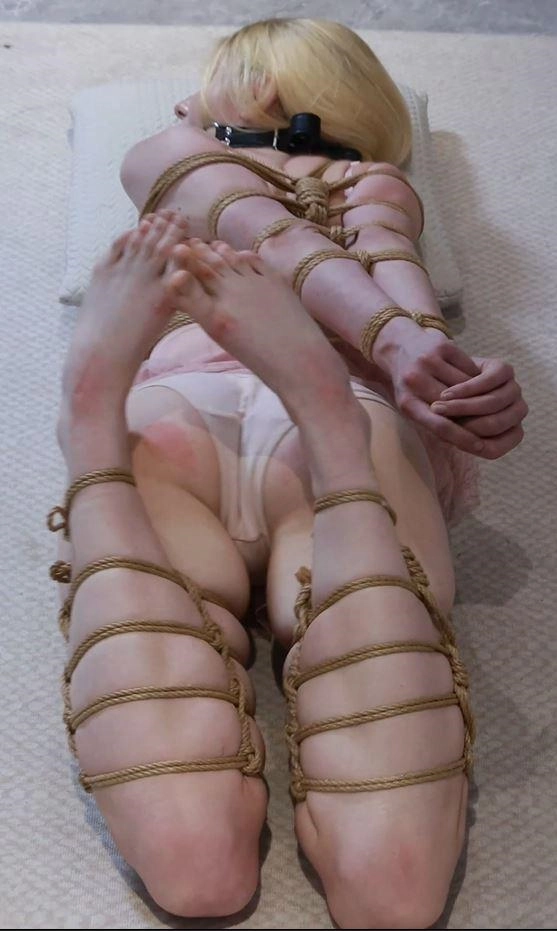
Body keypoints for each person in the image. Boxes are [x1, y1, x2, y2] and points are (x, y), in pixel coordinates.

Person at [48, 18, 527, 930]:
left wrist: (436, 369)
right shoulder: (365, 181)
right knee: (367, 889)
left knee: (206, 872)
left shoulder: (173, 148)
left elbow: (255, 222)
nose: (185, 105)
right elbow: (350, 256)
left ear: (260, 85)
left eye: (204, 86)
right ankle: (324, 412)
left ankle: (92, 416)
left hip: (174, 412)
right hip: (346, 418)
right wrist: (413, 352)